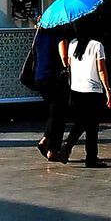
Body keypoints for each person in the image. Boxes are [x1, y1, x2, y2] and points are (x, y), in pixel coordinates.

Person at [59, 25, 111, 168]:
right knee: (91, 125)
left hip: (76, 88)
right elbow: (101, 69)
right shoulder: (97, 46)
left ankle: (72, 147)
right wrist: (108, 90)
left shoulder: (72, 44)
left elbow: (69, 63)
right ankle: (87, 155)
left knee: (83, 121)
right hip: (93, 90)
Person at [30, 25, 69, 161]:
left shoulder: (39, 34)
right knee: (60, 113)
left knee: (55, 111)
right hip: (54, 77)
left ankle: (46, 139)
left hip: (40, 77)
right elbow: (63, 56)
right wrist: (68, 68)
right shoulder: (59, 32)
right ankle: (52, 149)